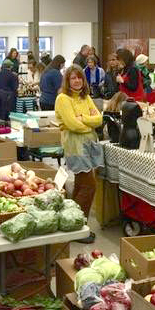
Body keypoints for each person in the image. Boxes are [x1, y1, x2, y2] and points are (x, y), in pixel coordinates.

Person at [55, 65, 102, 244]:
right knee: (89, 186)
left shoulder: (86, 97)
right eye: (73, 78)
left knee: (82, 185)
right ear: (67, 80)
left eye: (79, 78)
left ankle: (73, 224)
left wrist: (84, 119)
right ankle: (79, 226)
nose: (77, 81)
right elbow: (73, 125)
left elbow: (99, 119)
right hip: (75, 147)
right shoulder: (63, 98)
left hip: (89, 145)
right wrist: (86, 122)